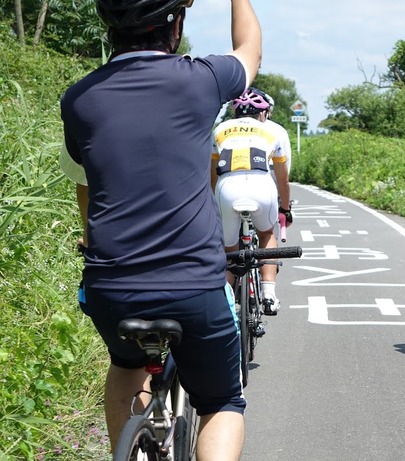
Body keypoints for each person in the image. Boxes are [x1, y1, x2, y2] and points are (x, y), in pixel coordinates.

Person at [59, 0, 261, 458]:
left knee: (126, 365)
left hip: (113, 287)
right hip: (194, 287)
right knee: (221, 401)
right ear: (176, 25)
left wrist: (90, 239)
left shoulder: (79, 99)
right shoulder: (202, 79)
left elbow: (86, 183)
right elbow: (249, 50)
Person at [211, 87, 292, 315]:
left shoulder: (220, 129)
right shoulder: (272, 131)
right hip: (261, 186)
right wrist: (285, 208)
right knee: (267, 234)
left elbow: (213, 174)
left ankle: (223, 303)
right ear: (263, 113)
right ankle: (268, 294)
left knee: (230, 249)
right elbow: (283, 180)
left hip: (226, 189)